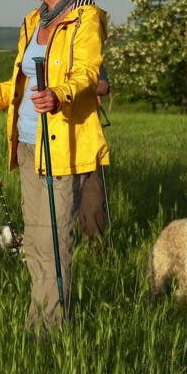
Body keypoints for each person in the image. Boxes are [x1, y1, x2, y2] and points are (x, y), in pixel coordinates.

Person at [0, 0, 108, 334]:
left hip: (60, 143)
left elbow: (89, 74)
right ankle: (40, 320)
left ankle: (48, 329)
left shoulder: (85, 18)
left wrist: (59, 95)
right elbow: (20, 84)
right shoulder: (34, 20)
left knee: (54, 239)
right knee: (36, 241)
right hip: (26, 143)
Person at [75, 71, 111, 245]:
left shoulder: (88, 46)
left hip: (86, 137)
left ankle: (94, 250)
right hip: (51, 139)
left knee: (93, 200)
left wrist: (69, 88)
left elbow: (103, 85)